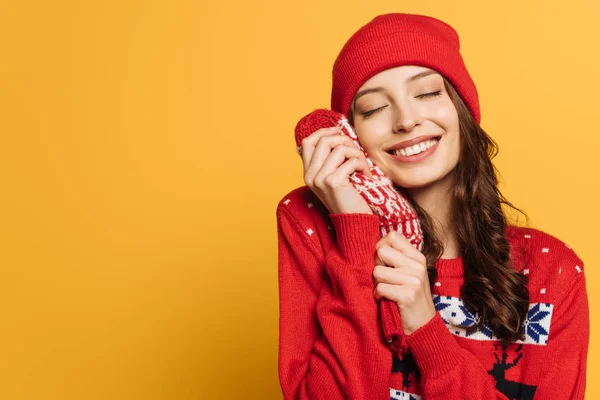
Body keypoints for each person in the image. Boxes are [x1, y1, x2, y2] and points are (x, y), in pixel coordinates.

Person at [276, 13, 589, 400]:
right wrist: (355, 229)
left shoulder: (552, 272)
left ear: (461, 109)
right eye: (374, 108)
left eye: (426, 93)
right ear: (350, 135)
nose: (406, 120)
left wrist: (426, 330)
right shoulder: (312, 226)